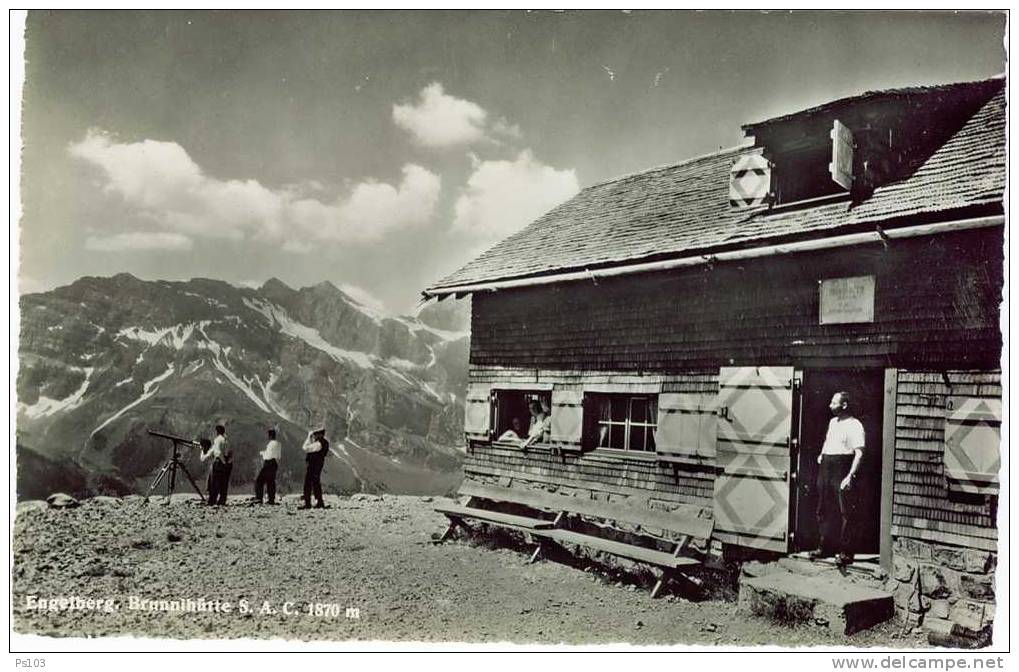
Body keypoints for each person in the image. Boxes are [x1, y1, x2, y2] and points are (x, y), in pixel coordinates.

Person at [810, 391, 865, 567]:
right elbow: (828, 441)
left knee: (845, 511)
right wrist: (822, 454)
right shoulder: (833, 422)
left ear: (844, 405)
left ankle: (845, 552)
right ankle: (824, 547)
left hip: (842, 466)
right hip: (827, 465)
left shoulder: (855, 425)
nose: (830, 405)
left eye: (834, 402)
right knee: (824, 508)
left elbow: (859, 452)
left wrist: (850, 475)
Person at [201, 424, 233, 506]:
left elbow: (218, 453)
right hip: (225, 462)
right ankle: (222, 500)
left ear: (217, 431)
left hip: (219, 462)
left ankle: (212, 500)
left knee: (214, 482)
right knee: (223, 483)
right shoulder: (225, 439)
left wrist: (223, 462)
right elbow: (228, 452)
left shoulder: (218, 440)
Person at [301, 426, 329, 509]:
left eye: (315, 434)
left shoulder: (318, 444)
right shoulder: (324, 442)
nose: (314, 436)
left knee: (308, 483)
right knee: (316, 483)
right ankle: (319, 501)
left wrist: (308, 437)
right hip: (318, 464)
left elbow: (305, 448)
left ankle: (308, 503)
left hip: (313, 465)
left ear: (319, 435)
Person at [255, 428, 281, 505]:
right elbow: (278, 456)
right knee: (271, 482)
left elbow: (268, 455)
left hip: (268, 463)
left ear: (269, 436)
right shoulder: (278, 444)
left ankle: (259, 498)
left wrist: (262, 453)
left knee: (259, 481)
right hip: (275, 463)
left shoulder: (270, 444)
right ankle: (271, 499)